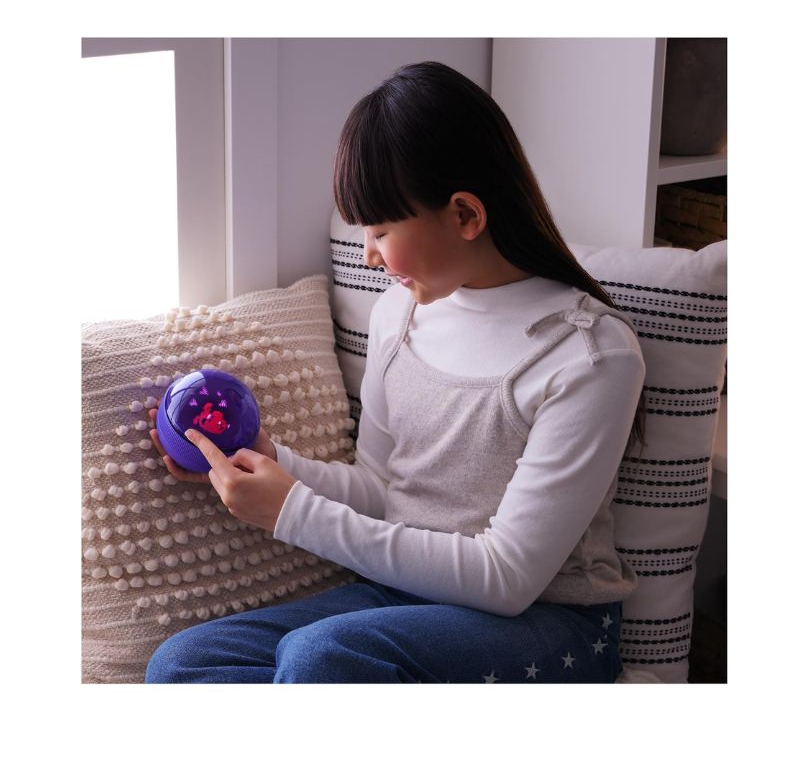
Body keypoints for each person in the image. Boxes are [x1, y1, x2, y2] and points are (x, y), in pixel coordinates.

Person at [145, 61, 645, 684]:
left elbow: (509, 576)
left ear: (465, 215)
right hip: (407, 597)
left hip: (551, 621)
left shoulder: (589, 353)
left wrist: (294, 513)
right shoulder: (397, 317)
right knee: (183, 664)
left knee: (323, 659)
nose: (369, 255)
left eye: (381, 230)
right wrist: (271, 462)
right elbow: (383, 490)